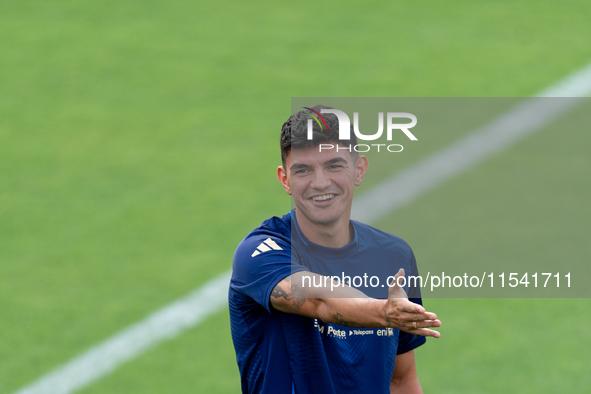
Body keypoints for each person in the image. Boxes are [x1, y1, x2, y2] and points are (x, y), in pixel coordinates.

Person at [229, 105, 441, 394]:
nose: (320, 183)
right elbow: (320, 301)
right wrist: (383, 311)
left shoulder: (394, 256)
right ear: (285, 179)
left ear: (359, 170)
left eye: (334, 166)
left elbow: (401, 380)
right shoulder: (259, 253)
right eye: (303, 170)